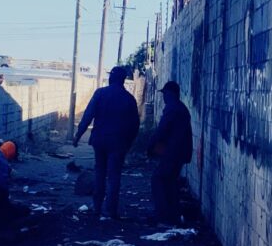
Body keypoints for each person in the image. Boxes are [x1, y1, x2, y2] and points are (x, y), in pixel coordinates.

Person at [73, 66, 140, 219]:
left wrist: (78, 136)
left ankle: (96, 208)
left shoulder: (100, 93)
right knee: (114, 175)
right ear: (123, 79)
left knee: (100, 173)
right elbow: (135, 125)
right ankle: (110, 210)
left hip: (100, 141)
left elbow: (87, 116)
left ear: (111, 78)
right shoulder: (129, 99)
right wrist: (129, 143)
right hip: (118, 143)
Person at [148, 81, 193, 224]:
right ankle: (173, 215)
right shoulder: (181, 108)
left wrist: (150, 145)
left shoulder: (172, 109)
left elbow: (162, 130)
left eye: (165, 94)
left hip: (172, 152)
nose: (164, 97)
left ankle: (163, 216)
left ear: (171, 93)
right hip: (179, 152)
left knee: (158, 180)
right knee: (170, 182)